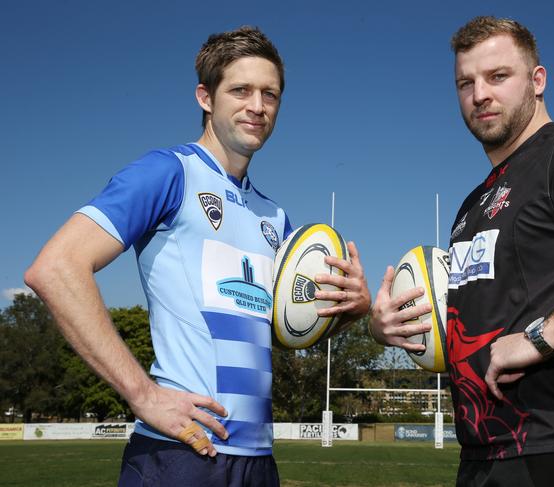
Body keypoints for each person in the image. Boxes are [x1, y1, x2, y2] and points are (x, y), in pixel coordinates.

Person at [25, 26, 370, 486]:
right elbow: (55, 268)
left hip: (258, 461)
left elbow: (292, 328)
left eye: (270, 94)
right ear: (205, 98)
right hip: (180, 454)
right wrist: (142, 394)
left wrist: (354, 309)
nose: (258, 106)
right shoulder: (169, 173)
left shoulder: (276, 218)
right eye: (241, 90)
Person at [369, 16, 554, 486]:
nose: (480, 94)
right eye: (466, 82)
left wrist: (543, 336)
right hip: (482, 456)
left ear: (537, 81)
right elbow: (473, 327)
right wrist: (390, 328)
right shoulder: (471, 206)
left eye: (498, 76)